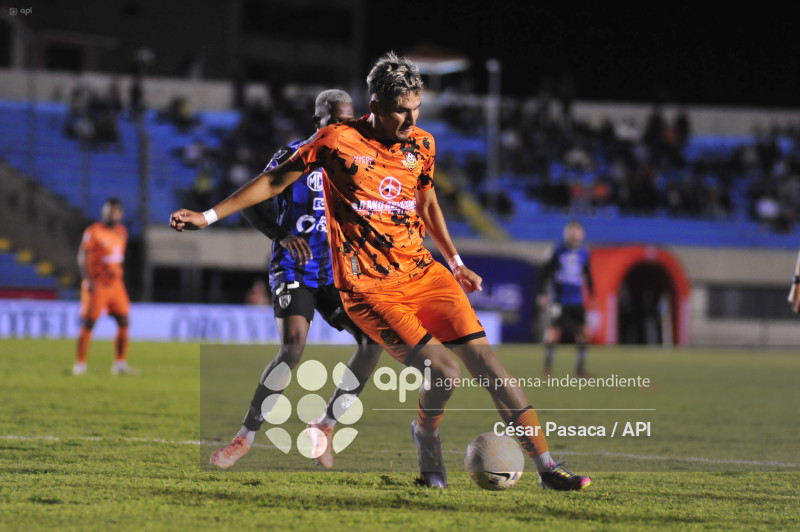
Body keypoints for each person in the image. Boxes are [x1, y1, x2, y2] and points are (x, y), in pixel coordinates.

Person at [171, 52, 590, 491]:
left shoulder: (422, 145)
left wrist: (456, 261)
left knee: (491, 366)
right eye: (400, 111)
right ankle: (426, 435)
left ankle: (547, 469)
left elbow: (426, 202)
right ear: (375, 105)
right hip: (370, 288)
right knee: (444, 373)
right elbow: (275, 181)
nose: (411, 120)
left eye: (416, 108)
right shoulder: (336, 141)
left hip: (424, 273)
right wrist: (208, 216)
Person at [208, 90, 383, 470]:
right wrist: (280, 235)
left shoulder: (359, 160)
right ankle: (245, 436)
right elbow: (253, 200)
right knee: (293, 349)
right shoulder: (294, 155)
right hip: (294, 266)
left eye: (347, 121)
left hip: (335, 270)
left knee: (373, 341)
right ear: (317, 121)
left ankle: (326, 426)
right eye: (333, 121)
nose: (340, 128)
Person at [73, 198, 138, 376]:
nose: (113, 214)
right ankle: (80, 364)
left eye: (116, 211)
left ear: (121, 214)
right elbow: (82, 255)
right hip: (97, 285)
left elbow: (117, 260)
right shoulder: (93, 231)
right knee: (89, 323)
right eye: (110, 210)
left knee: (124, 321)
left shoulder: (122, 233)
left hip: (116, 286)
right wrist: (87, 280)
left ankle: (120, 363)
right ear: (104, 212)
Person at [536, 220, 595, 377]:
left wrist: (592, 294)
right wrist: (542, 293)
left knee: (583, 333)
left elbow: (588, 275)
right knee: (554, 332)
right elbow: (545, 271)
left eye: (577, 232)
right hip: (559, 299)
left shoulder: (584, 252)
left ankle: (580, 370)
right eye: (572, 232)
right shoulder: (557, 249)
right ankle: (547, 370)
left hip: (577, 300)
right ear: (567, 233)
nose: (574, 235)